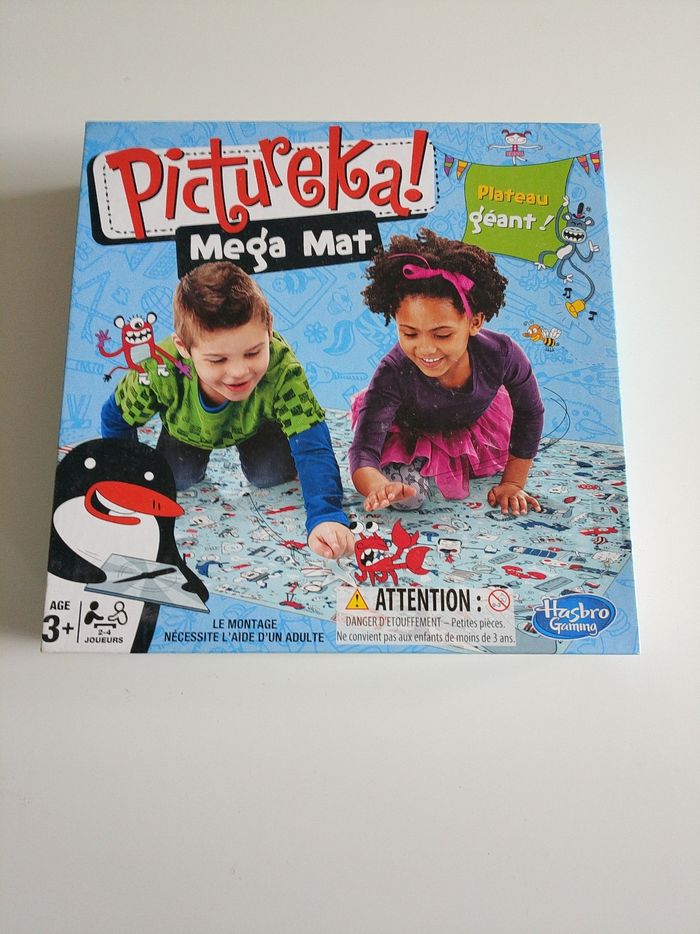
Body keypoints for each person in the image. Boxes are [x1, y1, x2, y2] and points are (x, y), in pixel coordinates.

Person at [101, 261, 354, 559]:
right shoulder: (159, 368)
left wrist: (325, 515)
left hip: (256, 427)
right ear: (183, 347)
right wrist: (131, 482)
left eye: (253, 352)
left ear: (269, 328)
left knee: (270, 476)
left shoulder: (282, 367)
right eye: (217, 360)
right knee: (175, 480)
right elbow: (115, 418)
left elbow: (312, 444)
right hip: (186, 432)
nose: (238, 372)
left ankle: (264, 446)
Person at [349, 229, 544, 517]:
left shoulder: (501, 354)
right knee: (408, 498)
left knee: (494, 464)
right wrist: (376, 485)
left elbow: (530, 412)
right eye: (409, 333)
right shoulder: (393, 372)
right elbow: (363, 450)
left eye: (442, 334)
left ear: (474, 322)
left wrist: (513, 483)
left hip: (470, 422)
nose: (426, 348)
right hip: (410, 430)